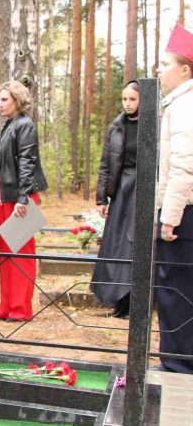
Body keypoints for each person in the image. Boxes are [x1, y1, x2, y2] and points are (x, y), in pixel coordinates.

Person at [0, 80, 48, 322]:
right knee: (6, 251)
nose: (0, 104)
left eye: (4, 100)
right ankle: (6, 305)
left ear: (17, 100)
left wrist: (23, 198)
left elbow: (27, 161)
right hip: (4, 194)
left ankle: (20, 308)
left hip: (18, 196)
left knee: (21, 250)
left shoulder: (25, 125)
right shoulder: (10, 125)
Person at [154, 24, 193, 374]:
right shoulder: (179, 103)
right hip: (182, 209)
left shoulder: (184, 106)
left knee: (175, 288)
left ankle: (178, 364)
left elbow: (185, 165)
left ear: (185, 70)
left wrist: (170, 214)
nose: (159, 70)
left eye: (165, 64)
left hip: (184, 213)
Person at [91, 80, 140, 319]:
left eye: (132, 99)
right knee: (115, 244)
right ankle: (117, 302)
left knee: (134, 245)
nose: (128, 104)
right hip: (121, 189)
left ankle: (133, 302)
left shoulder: (154, 126)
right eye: (124, 99)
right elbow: (105, 164)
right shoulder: (116, 127)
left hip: (142, 189)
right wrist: (102, 198)